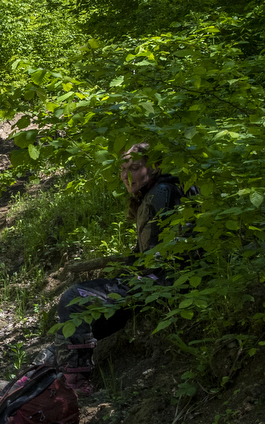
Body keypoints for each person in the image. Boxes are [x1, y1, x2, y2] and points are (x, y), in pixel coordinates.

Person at [52, 143, 189, 396]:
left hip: (162, 284)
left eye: (135, 168)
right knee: (74, 323)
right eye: (123, 169)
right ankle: (40, 377)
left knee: (73, 299)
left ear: (154, 166)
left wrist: (132, 278)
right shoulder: (168, 188)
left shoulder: (160, 193)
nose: (127, 175)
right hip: (163, 280)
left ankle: (73, 385)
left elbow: (160, 257)